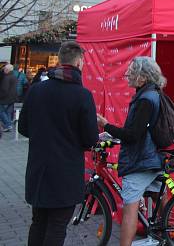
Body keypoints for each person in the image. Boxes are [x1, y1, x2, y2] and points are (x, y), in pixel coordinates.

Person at [18, 40, 98, 246]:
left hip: (39, 169)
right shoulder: (82, 95)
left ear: (60, 60)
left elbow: (23, 128)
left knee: (38, 222)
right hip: (65, 172)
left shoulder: (37, 90)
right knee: (56, 225)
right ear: (79, 62)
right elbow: (90, 139)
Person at [97, 57, 166, 246]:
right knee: (159, 196)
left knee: (130, 210)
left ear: (142, 77)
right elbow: (140, 131)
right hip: (152, 157)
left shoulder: (145, 99)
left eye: (131, 72)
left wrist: (106, 125)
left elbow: (133, 135)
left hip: (141, 161)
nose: (127, 75)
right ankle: (166, 235)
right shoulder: (153, 94)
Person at [0, 64, 16, 132]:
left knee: (1, 111)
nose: (4, 70)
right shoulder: (13, 76)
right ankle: (8, 125)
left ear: (7, 70)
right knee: (8, 112)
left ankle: (8, 125)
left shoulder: (6, 78)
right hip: (12, 97)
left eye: (5, 69)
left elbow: (4, 89)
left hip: (5, 98)